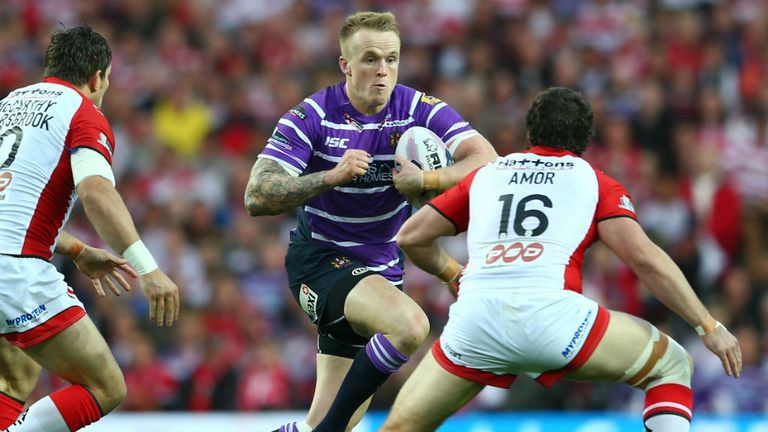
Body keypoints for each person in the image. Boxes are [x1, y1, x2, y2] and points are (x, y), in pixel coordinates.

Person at [380, 87, 742, 432]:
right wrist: (708, 326)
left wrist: (452, 273)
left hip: (477, 322)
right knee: (672, 364)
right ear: (586, 140)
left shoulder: (487, 175)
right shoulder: (594, 181)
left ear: (530, 132)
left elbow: (411, 237)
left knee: (401, 426)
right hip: (552, 321)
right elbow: (644, 259)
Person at [244, 11, 496, 432]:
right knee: (411, 325)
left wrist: (428, 180)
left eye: (391, 59)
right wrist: (330, 176)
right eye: (370, 59)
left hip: (380, 273)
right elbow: (257, 195)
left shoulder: (416, 108)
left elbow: (487, 160)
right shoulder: (313, 115)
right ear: (345, 65)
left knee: (328, 423)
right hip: (320, 262)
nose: (383, 70)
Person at [0, 25, 179, 432]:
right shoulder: (83, 113)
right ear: (97, 77)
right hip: (15, 270)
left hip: (9, 261)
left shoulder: (6, 106)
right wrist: (148, 269)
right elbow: (96, 193)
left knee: (16, 377)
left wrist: (78, 250)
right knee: (106, 387)